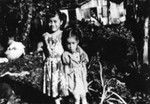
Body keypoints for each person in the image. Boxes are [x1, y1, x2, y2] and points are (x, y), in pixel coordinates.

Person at [36, 9, 64, 104]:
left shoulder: (63, 34)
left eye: (55, 21)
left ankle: (62, 98)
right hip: (50, 65)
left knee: (63, 84)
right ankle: (57, 101)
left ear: (61, 22)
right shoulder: (45, 35)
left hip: (61, 63)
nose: (52, 24)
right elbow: (44, 48)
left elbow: (70, 46)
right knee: (54, 86)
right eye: (50, 21)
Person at [61, 27, 89, 104]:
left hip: (81, 77)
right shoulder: (66, 54)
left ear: (77, 42)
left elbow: (86, 60)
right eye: (68, 43)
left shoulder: (80, 51)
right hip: (72, 78)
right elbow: (66, 68)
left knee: (83, 95)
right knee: (76, 96)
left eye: (73, 43)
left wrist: (83, 58)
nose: (71, 46)